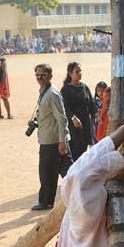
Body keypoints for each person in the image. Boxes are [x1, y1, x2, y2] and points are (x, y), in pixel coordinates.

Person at [31, 63, 70, 211]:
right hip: (48, 139)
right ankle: (48, 201)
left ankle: (46, 202)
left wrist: (62, 141)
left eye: (43, 74)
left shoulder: (52, 94)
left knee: (47, 173)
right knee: (64, 172)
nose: (40, 77)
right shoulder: (44, 92)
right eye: (37, 75)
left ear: (50, 76)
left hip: (53, 141)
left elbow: (61, 118)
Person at [60, 62, 96, 162]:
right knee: (75, 152)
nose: (80, 73)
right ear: (70, 74)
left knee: (84, 152)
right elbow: (64, 107)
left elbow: (91, 101)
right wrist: (73, 117)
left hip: (85, 124)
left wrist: (96, 114)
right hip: (73, 126)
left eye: (80, 71)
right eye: (77, 71)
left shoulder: (84, 87)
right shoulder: (65, 90)